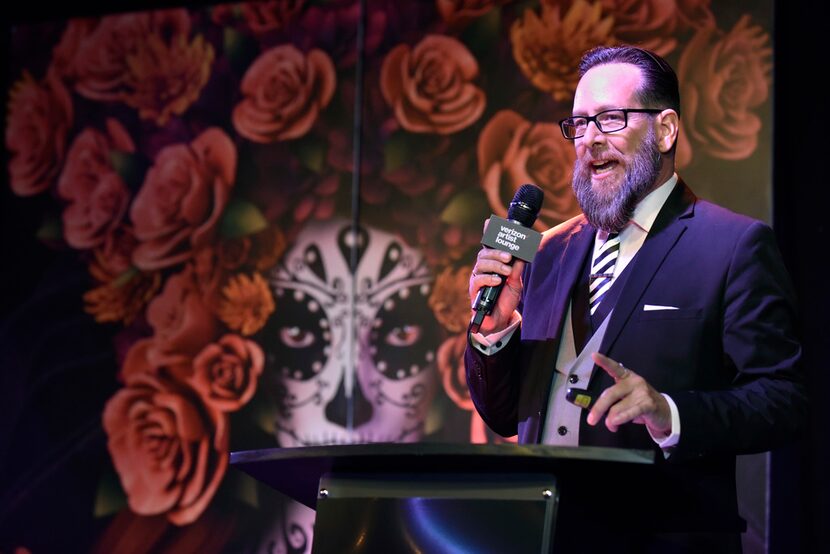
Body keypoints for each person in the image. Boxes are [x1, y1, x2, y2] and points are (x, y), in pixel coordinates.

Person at [464, 45, 807, 553]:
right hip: (545, 537)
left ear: (666, 130)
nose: (590, 140)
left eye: (610, 118)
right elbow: (506, 414)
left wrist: (670, 413)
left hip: (663, 540)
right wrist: (493, 333)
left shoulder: (733, 246)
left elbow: (784, 398)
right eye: (579, 124)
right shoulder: (552, 251)